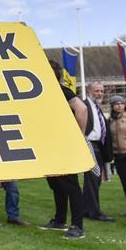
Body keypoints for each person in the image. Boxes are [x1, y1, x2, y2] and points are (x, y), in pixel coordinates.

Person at [41, 60, 88, 239]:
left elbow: (81, 109)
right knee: (56, 183)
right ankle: (59, 220)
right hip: (51, 144)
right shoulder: (44, 91)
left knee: (71, 185)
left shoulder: (59, 90)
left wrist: (78, 136)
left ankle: (77, 226)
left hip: (64, 144)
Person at [82, 81, 115, 222]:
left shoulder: (97, 107)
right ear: (89, 91)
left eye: (101, 91)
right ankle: (94, 212)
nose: (100, 93)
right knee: (93, 179)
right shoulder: (84, 106)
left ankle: (87, 209)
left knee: (94, 180)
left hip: (99, 146)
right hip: (89, 144)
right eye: (97, 91)